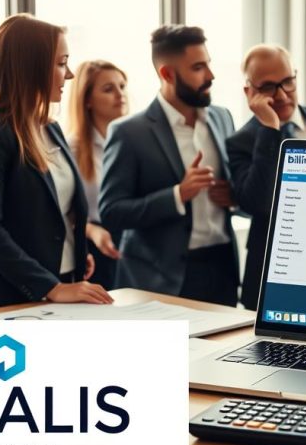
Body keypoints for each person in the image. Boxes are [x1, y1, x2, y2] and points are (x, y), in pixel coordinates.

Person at [0, 14, 112, 312]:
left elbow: (55, 212)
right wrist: (51, 287)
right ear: (30, 66)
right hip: (4, 299)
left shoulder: (50, 128)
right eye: (62, 63)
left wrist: (74, 253)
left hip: (59, 290)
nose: (70, 74)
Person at [99, 25, 240, 306]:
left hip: (223, 270)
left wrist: (233, 198)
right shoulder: (129, 132)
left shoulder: (222, 118)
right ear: (167, 74)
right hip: (161, 279)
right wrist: (178, 195)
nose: (210, 76)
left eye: (208, 65)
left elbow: (238, 184)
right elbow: (112, 212)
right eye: (198, 68)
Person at [227, 44, 306, 310]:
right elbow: (258, 203)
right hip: (273, 276)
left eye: (287, 82)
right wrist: (270, 128)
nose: (281, 95)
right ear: (249, 92)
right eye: (268, 87)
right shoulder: (241, 141)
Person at [66, 60, 129, 290]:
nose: (120, 95)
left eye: (122, 86)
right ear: (87, 99)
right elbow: (64, 212)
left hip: (130, 243)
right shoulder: (71, 148)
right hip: (92, 247)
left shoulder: (131, 143)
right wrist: (93, 232)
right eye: (108, 89)